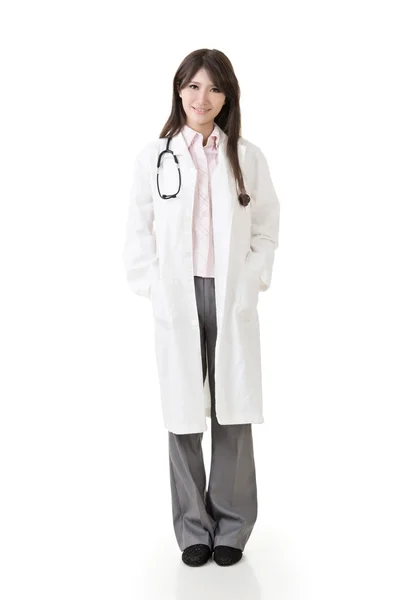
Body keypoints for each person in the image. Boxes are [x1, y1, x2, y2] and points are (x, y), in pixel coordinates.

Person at [123, 48, 280, 567]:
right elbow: (136, 230)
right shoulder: (157, 156)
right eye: (192, 86)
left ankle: (232, 528)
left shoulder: (246, 156)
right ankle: (193, 527)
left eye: (213, 88)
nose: (201, 98)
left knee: (232, 411)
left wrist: (253, 280)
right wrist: (154, 287)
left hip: (230, 295)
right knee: (183, 411)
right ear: (178, 90)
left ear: (227, 95)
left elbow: (265, 227)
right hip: (178, 295)